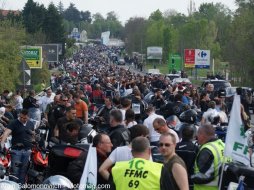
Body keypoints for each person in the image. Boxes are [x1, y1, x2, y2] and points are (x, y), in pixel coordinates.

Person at [0, 109, 35, 184]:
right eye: (21, 117)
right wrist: (2, 145)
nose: (22, 119)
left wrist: (34, 142)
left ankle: (21, 186)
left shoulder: (31, 124)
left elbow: (32, 135)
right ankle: (13, 186)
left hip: (27, 151)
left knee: (23, 171)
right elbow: (6, 133)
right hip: (16, 151)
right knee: (15, 171)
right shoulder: (14, 123)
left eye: (24, 118)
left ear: (28, 117)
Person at [191, 124, 225, 190]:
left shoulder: (207, 150)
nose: (196, 136)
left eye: (197, 134)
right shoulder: (223, 145)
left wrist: (189, 177)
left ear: (202, 135)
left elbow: (204, 176)